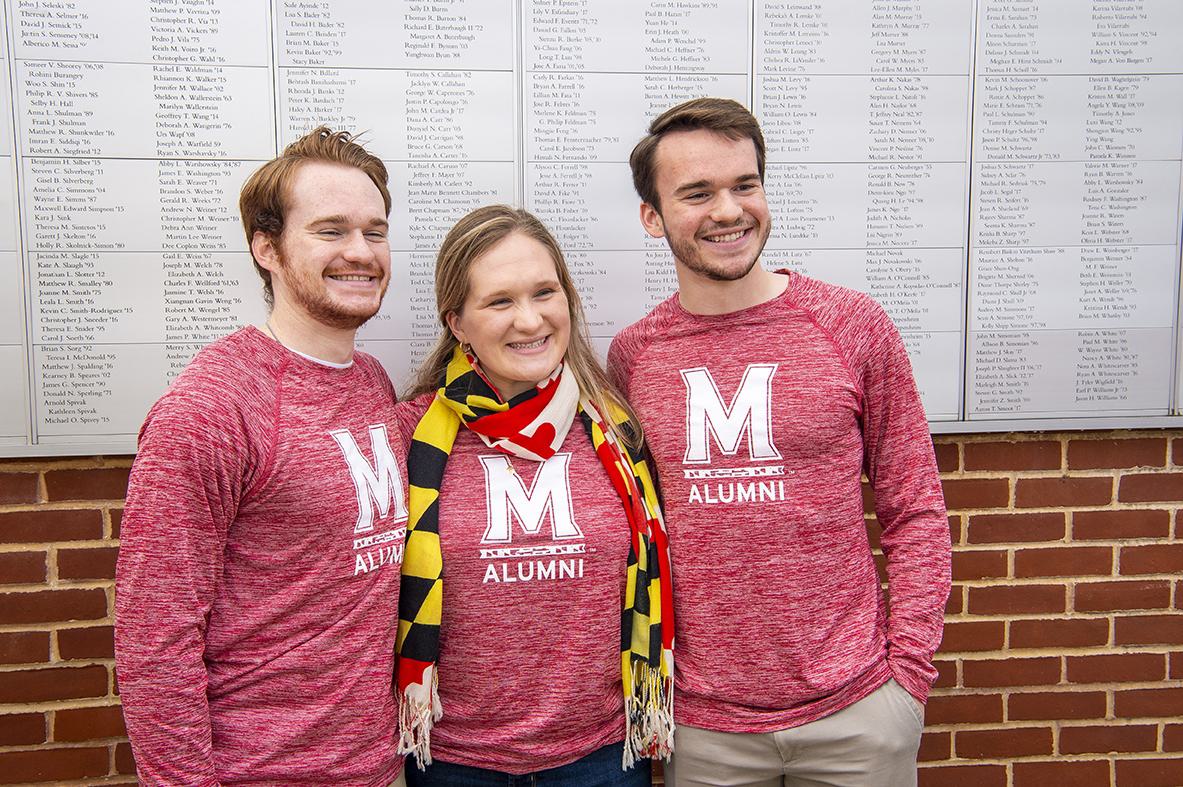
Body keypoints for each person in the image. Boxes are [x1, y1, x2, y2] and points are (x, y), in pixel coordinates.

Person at [609, 97, 951, 786]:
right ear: (652, 216)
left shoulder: (851, 325)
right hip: (704, 728)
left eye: (745, 184)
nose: (729, 210)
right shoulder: (633, 357)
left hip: (857, 713)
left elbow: (913, 506)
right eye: (697, 193)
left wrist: (906, 675)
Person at [115, 127, 409, 786]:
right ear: (266, 248)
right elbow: (154, 637)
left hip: (377, 767)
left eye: (375, 230)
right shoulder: (211, 407)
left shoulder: (371, 381)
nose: (360, 252)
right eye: (330, 230)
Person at [394, 205, 673, 786]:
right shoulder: (408, 436)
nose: (529, 320)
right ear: (457, 322)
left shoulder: (619, 432)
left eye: (545, 292)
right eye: (499, 302)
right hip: (453, 763)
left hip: (601, 760)